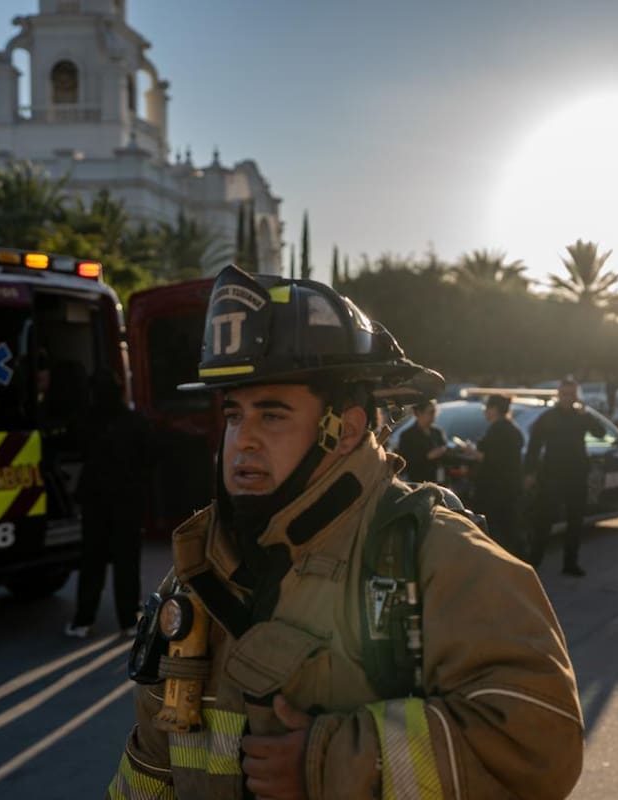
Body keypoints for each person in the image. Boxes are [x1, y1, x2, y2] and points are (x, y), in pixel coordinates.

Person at [106, 267, 582, 800]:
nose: (243, 440)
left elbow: (542, 742)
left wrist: (333, 764)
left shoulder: (438, 554)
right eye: (235, 415)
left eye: (272, 416)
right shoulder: (197, 572)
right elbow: (151, 765)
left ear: (346, 430)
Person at [65, 369, 151, 637]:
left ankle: (83, 621)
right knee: (127, 561)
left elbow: (74, 447)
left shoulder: (85, 421)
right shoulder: (135, 422)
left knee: (92, 561)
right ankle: (129, 620)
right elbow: (150, 456)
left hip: (95, 500)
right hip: (128, 499)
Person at [525, 376, 605, 577]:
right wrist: (529, 472)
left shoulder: (582, 416)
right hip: (552, 476)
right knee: (544, 522)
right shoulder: (548, 417)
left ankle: (570, 564)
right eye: (564, 394)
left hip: (576, 476)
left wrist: (586, 413)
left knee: (575, 522)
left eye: (571, 394)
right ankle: (533, 563)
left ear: (576, 396)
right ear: (558, 395)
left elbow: (600, 433)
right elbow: (534, 446)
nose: (567, 398)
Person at [469, 393, 526, 558]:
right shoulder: (511, 428)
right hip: (510, 489)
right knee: (511, 530)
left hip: (495, 490)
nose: (485, 411)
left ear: (494, 409)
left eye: (487, 408)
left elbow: (492, 459)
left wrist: (472, 452)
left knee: (496, 532)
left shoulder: (498, 430)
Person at [396, 399, 447, 483]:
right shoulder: (407, 435)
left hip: (438, 480)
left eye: (435, 412)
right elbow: (404, 461)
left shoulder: (437, 432)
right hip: (417, 481)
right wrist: (427, 456)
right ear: (419, 413)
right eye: (431, 412)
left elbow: (445, 452)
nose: (434, 415)